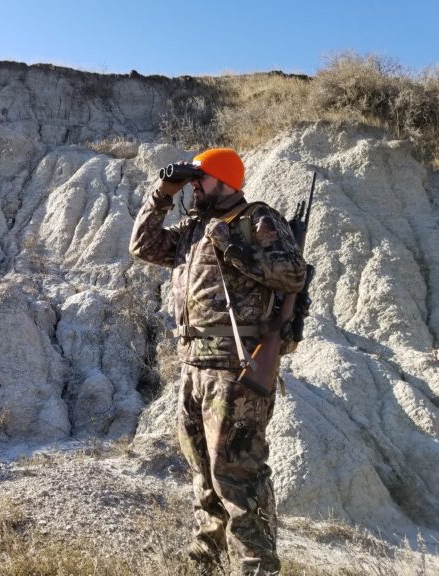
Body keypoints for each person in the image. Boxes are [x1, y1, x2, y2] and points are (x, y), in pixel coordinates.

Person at [129, 148, 306, 575]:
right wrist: (162, 194)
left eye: (200, 179)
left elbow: (293, 273)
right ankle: (205, 558)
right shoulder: (194, 228)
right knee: (202, 473)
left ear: (225, 181)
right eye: (191, 181)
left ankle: (255, 567)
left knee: (237, 475)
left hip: (236, 369)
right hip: (194, 366)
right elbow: (143, 246)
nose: (193, 186)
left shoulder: (254, 218)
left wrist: (232, 247)